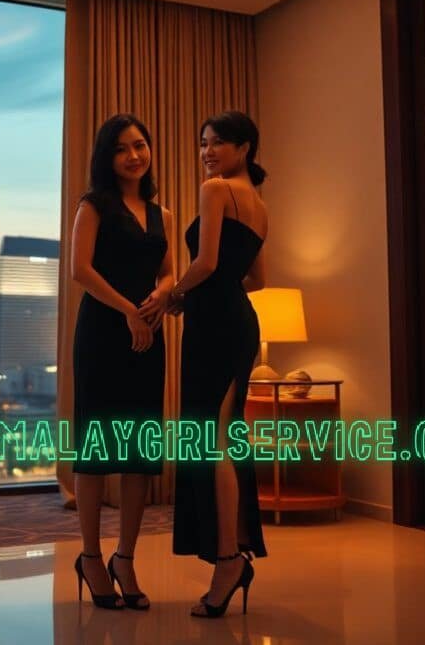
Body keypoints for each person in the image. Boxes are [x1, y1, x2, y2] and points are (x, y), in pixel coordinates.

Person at [71, 113, 174, 610]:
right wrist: (129, 309)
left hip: (147, 338)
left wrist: (159, 295)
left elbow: (170, 271)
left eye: (140, 145)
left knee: (138, 455)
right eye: (121, 149)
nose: (134, 155)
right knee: (95, 454)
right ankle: (90, 557)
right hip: (102, 334)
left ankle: (125, 559)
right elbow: (80, 270)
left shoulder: (162, 214)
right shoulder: (93, 206)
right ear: (106, 158)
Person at [168, 110, 269, 618]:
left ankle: (229, 559)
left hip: (215, 326)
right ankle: (232, 554)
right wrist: (202, 296)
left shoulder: (215, 191)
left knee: (214, 439)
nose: (207, 151)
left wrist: (173, 294)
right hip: (235, 320)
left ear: (245, 146)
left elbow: (206, 263)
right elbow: (258, 281)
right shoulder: (261, 205)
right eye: (203, 143)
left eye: (218, 142)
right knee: (224, 435)